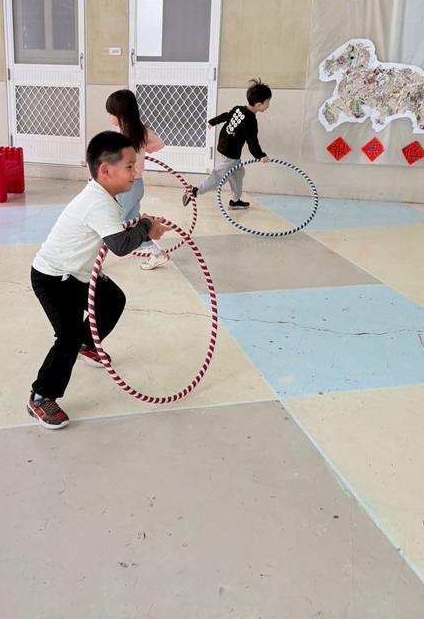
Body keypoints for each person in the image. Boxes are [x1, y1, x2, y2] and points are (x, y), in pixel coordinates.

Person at [28, 131, 169, 429]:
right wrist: (146, 226)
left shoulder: (104, 196)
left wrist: (144, 227)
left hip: (78, 272)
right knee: (66, 337)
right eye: (129, 166)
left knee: (113, 300)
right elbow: (120, 245)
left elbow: (115, 235)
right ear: (106, 170)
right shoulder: (98, 203)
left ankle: (88, 343)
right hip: (53, 277)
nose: (136, 172)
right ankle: (41, 396)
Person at [105, 89, 169, 270]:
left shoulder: (121, 137)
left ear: (121, 114)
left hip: (126, 187)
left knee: (113, 224)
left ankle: (94, 260)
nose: (109, 117)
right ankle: (155, 252)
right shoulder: (140, 131)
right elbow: (159, 144)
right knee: (132, 222)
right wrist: (144, 150)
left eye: (111, 113)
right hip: (137, 185)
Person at [184, 78, 272, 208]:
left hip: (225, 144)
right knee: (218, 176)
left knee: (238, 172)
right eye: (268, 102)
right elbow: (252, 142)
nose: (269, 105)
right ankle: (195, 191)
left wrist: (212, 122)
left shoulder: (238, 109)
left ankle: (235, 201)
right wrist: (260, 156)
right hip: (231, 151)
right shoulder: (251, 121)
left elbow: (226, 116)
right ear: (259, 104)